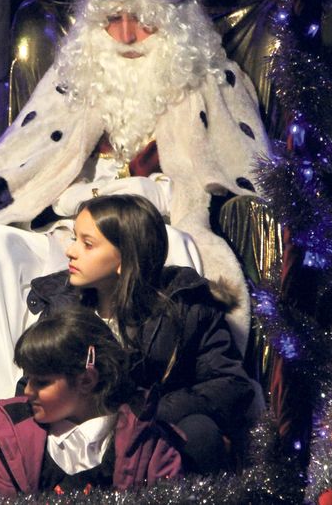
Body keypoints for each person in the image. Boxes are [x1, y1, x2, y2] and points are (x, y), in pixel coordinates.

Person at [0, 0, 269, 422]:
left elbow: (247, 169)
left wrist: (155, 192)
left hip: (154, 227)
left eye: (144, 20)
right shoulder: (71, 78)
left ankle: (130, 416)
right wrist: (79, 197)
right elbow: (25, 162)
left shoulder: (211, 81)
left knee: (177, 249)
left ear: (176, 24)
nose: (127, 35)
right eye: (113, 20)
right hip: (66, 226)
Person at [27, 194, 258, 473]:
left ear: (125, 258)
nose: (70, 251)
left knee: (200, 432)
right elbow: (32, 383)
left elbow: (229, 383)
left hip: (150, 443)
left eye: (87, 244)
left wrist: (141, 413)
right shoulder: (63, 306)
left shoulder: (185, 307)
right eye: (75, 238)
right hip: (79, 444)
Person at [0, 309, 181, 496]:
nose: (27, 391)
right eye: (28, 379)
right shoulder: (17, 442)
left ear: (86, 380)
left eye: (41, 382)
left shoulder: (150, 446)